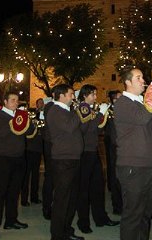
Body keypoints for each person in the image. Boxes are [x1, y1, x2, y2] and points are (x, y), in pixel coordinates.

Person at [113, 66, 152, 240]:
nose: (143, 81)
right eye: (139, 78)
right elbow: (142, 118)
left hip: (148, 167)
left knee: (145, 216)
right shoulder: (122, 104)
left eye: (143, 77)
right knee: (133, 216)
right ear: (128, 82)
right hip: (132, 168)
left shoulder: (142, 103)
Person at [0, 91, 37, 239]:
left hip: (19, 158)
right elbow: (4, 133)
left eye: (17, 100)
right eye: (13, 100)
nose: (17, 103)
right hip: (3, 159)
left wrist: (29, 122)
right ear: (5, 102)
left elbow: (29, 132)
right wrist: (18, 120)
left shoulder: (18, 116)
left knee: (14, 192)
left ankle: (11, 220)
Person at [75, 84, 119, 234]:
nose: (95, 97)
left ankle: (100, 218)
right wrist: (100, 114)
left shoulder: (90, 109)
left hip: (92, 152)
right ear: (85, 95)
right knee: (84, 189)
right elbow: (86, 128)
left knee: (98, 186)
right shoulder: (83, 108)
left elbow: (98, 129)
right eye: (93, 94)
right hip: (85, 153)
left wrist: (102, 115)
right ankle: (83, 221)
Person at [46, 83, 84, 240]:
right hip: (63, 160)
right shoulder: (55, 110)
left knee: (71, 198)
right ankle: (57, 235)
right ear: (61, 95)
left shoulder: (65, 110)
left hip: (72, 159)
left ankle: (66, 230)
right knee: (62, 200)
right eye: (71, 94)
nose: (73, 97)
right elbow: (70, 126)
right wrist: (81, 110)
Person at [103, 89, 123, 215]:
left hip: (125, 146)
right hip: (115, 146)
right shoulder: (110, 111)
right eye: (118, 98)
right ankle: (117, 205)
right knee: (115, 176)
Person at [21, 102, 44, 206]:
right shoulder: (26, 124)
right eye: (30, 114)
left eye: (34, 114)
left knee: (36, 175)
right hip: (28, 151)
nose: (32, 116)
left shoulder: (39, 123)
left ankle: (34, 197)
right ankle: (24, 199)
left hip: (37, 150)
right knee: (26, 176)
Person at [42, 96, 54, 220]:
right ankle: (47, 207)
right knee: (50, 177)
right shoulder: (51, 107)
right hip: (51, 145)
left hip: (58, 146)